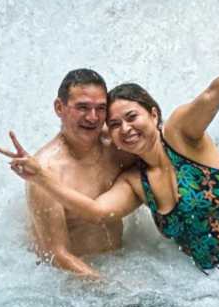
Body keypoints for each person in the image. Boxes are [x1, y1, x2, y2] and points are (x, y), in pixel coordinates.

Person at [0, 6, 219, 275]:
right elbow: (96, 212)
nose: (124, 129)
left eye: (130, 117)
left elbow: (213, 95)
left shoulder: (181, 134)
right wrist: (41, 178)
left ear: (153, 114)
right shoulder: (136, 181)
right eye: (114, 124)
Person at [16, 69, 134, 279]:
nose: (93, 117)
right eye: (82, 108)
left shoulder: (117, 144)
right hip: (72, 282)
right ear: (59, 107)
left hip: (118, 263)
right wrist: (112, 289)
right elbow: (56, 255)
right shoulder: (44, 172)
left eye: (101, 109)